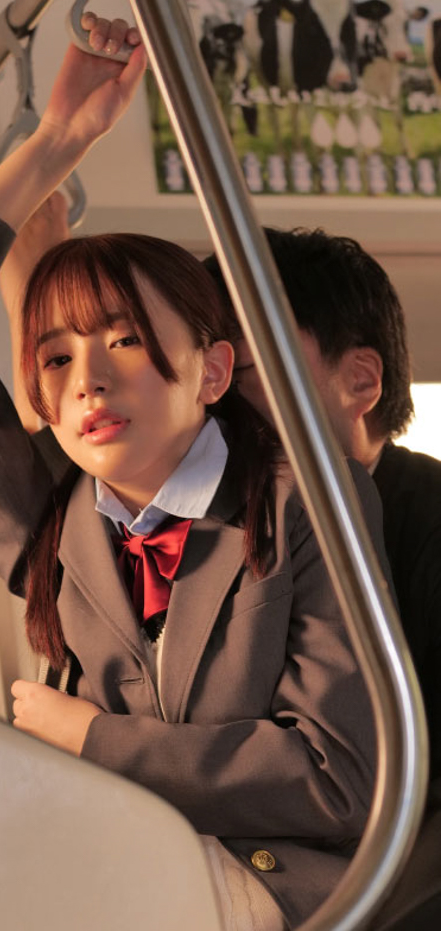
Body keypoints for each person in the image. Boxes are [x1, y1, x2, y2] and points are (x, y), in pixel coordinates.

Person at [0, 19, 393, 931]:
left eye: (124, 342)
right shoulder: (55, 521)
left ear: (213, 372)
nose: (89, 382)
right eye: (57, 359)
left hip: (266, 883)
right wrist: (58, 140)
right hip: (106, 857)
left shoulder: (302, 499)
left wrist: (95, 741)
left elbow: (335, 776)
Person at [204, 237, 441, 929]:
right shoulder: (205, 523)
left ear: (359, 381)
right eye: (200, 368)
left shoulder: (429, 517)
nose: (212, 395)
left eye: (241, 369)